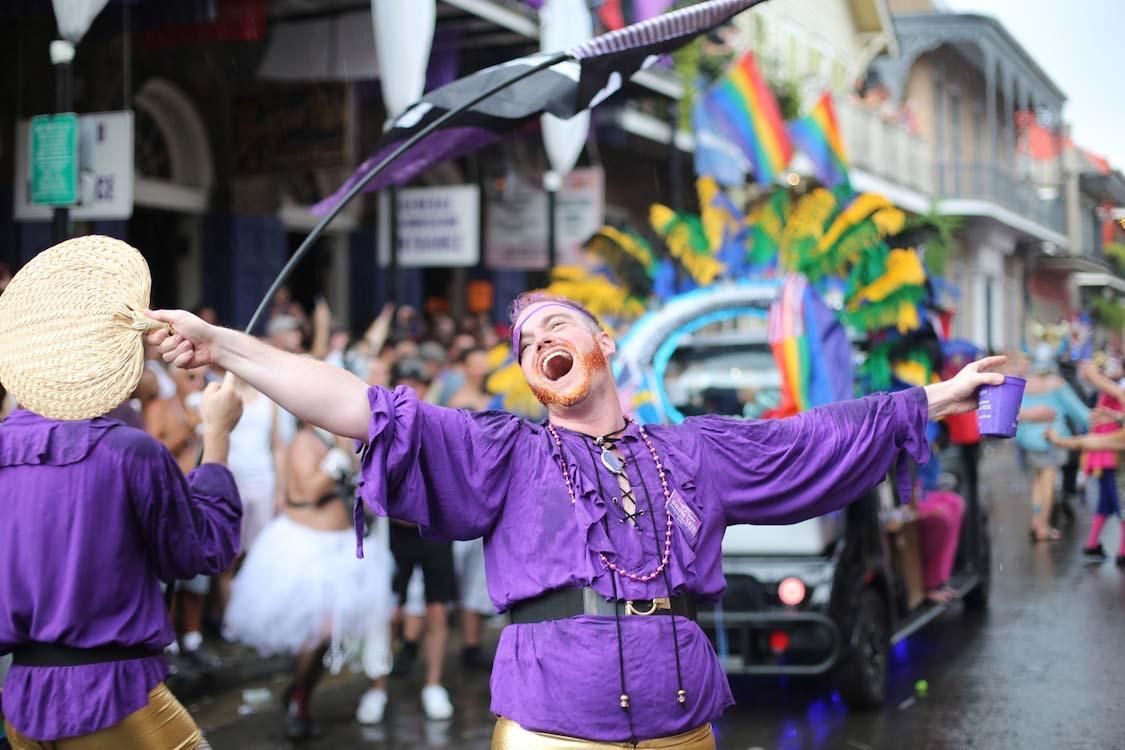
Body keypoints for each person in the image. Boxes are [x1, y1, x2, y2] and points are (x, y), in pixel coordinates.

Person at [148, 291, 1002, 749]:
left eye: (556, 328)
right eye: (524, 346)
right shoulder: (502, 452)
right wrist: (221, 344)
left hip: (680, 723)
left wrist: (936, 396)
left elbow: (811, 438)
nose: (537, 345)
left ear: (602, 344)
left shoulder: (695, 450)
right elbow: (354, 403)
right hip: (553, 728)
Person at [0, 378, 243, 749]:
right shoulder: (129, 450)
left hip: (23, 698)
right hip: (112, 697)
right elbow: (203, 548)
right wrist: (217, 434)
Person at [223, 416, 393, 739]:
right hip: (311, 553)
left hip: (340, 550)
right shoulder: (302, 443)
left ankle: (301, 694)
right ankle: (298, 696)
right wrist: (338, 462)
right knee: (320, 632)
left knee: (332, 634)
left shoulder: (326, 440)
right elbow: (312, 491)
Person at [386, 357, 457, 721]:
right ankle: (376, 687)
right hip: (395, 535)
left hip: (433, 533)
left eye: (419, 385)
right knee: (388, 611)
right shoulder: (382, 428)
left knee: (438, 609)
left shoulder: (440, 426)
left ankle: (433, 683)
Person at [1015, 346, 1090, 542]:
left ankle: (1035, 521)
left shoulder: (1024, 384)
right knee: (1048, 483)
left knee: (1037, 483)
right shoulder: (1057, 384)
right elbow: (1080, 414)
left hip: (1028, 442)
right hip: (1050, 439)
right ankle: (1043, 527)